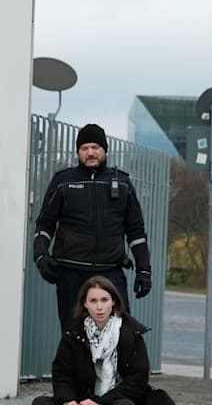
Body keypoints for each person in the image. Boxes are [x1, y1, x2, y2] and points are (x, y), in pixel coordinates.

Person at [14, 275, 208, 405]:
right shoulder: (73, 333)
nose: (99, 307)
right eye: (93, 301)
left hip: (116, 402)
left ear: (113, 301)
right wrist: (68, 401)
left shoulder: (130, 333)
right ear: (85, 304)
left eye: (104, 300)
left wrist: (101, 404)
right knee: (40, 404)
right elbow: (62, 372)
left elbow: (137, 381)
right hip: (83, 403)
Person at [32, 123, 152, 332]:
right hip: (71, 271)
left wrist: (144, 270)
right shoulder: (63, 182)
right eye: (84, 148)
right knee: (74, 336)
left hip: (110, 270)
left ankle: (113, 367)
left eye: (95, 147)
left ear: (105, 150)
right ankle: (75, 367)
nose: (90, 153)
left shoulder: (122, 184)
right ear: (78, 152)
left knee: (120, 333)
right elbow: (45, 224)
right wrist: (41, 256)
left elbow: (136, 232)